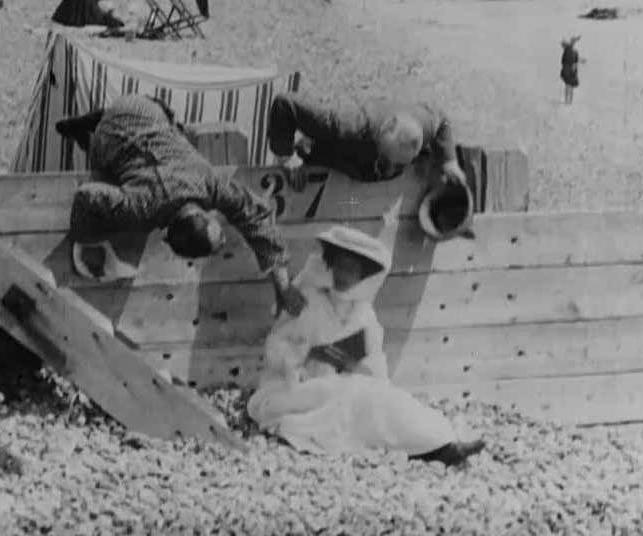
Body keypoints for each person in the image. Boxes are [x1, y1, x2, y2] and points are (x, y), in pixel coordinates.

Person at [247, 199, 486, 465]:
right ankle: (436, 449)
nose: (344, 275)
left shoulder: (364, 315)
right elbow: (275, 349)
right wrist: (304, 357)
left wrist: (351, 364)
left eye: (352, 270)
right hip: (295, 390)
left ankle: (442, 443)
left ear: (363, 276)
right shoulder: (307, 300)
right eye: (340, 266)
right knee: (354, 400)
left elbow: (376, 372)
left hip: (344, 386)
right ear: (330, 264)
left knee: (384, 399)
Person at [57, 94, 306, 316]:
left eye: (219, 238)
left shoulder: (206, 181)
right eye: (222, 239)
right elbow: (84, 196)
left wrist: (283, 286)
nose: (226, 239)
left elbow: (255, 215)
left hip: (147, 107)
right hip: (113, 134)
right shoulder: (141, 207)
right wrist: (87, 239)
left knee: (174, 131)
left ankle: (95, 120)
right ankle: (92, 130)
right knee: (104, 176)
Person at [266, 92, 468, 191]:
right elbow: (285, 103)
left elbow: (442, 120)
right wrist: (286, 157)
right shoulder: (343, 125)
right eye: (387, 159)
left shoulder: (424, 123)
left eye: (399, 164)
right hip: (332, 161)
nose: (392, 167)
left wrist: (449, 161)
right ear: (380, 135)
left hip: (370, 189)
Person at [561, 36, 586, 105]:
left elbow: (576, 59)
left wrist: (581, 60)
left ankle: (568, 101)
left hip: (571, 70)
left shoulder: (572, 51)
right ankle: (568, 101)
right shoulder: (569, 51)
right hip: (569, 70)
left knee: (569, 86)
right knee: (569, 86)